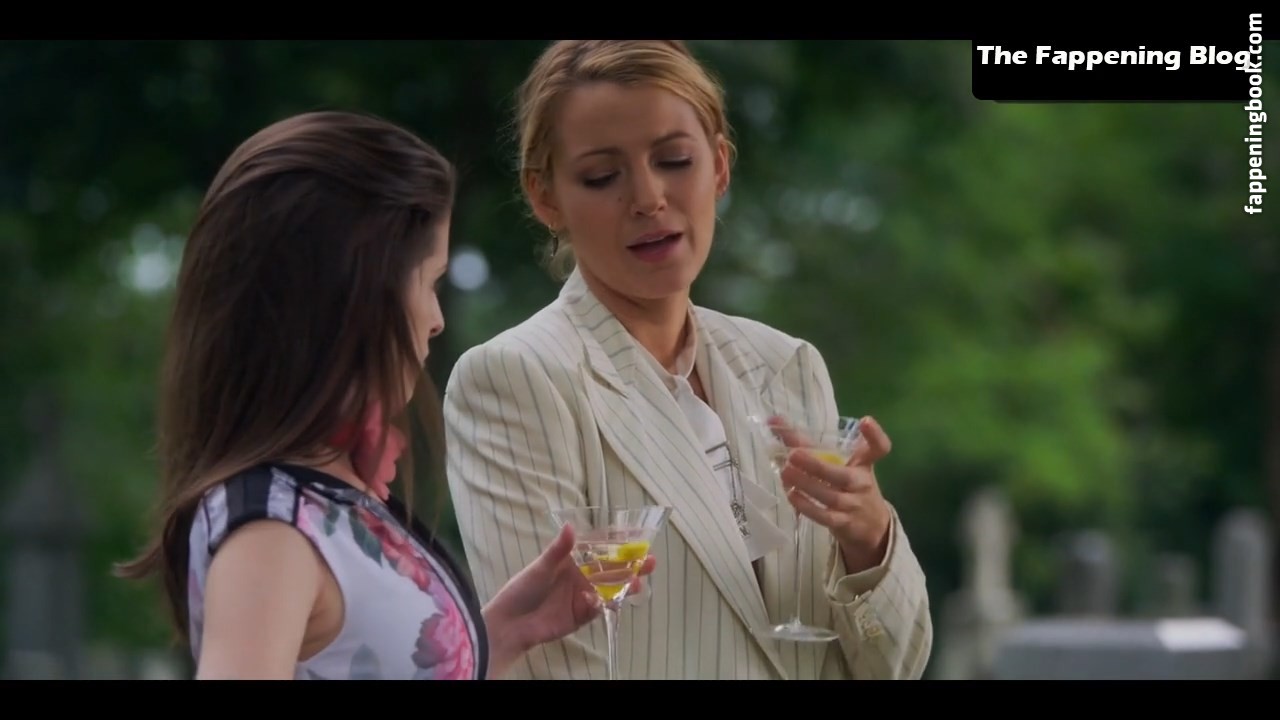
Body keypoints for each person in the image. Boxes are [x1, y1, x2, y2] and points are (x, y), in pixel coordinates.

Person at [443, 40, 933, 680]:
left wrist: (869, 537)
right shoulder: (517, 379)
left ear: (720, 166)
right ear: (545, 197)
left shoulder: (788, 365)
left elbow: (896, 665)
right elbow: (549, 666)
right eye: (602, 176)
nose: (648, 197)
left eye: (674, 160)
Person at [114, 110, 654, 681]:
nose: (437, 319)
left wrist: (504, 632)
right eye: (429, 281)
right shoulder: (271, 534)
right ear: (353, 297)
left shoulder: (313, 497)